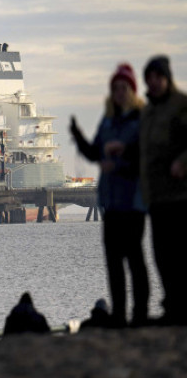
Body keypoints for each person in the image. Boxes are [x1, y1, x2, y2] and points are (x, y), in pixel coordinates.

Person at [70, 63, 149, 327]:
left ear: (132, 90)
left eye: (123, 88)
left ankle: (139, 314)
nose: (119, 92)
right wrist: (78, 137)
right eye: (115, 88)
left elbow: (145, 155)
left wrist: (122, 155)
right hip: (111, 202)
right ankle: (118, 316)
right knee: (113, 262)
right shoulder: (107, 121)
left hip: (133, 201)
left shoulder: (140, 120)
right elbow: (95, 153)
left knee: (135, 260)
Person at [139, 55, 187, 325]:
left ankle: (182, 308)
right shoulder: (147, 112)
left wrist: (183, 162)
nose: (153, 82)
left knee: (180, 254)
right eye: (149, 77)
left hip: (180, 196)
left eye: (158, 77)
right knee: (162, 256)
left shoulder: (181, 106)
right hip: (156, 199)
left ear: (167, 78)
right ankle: (173, 308)